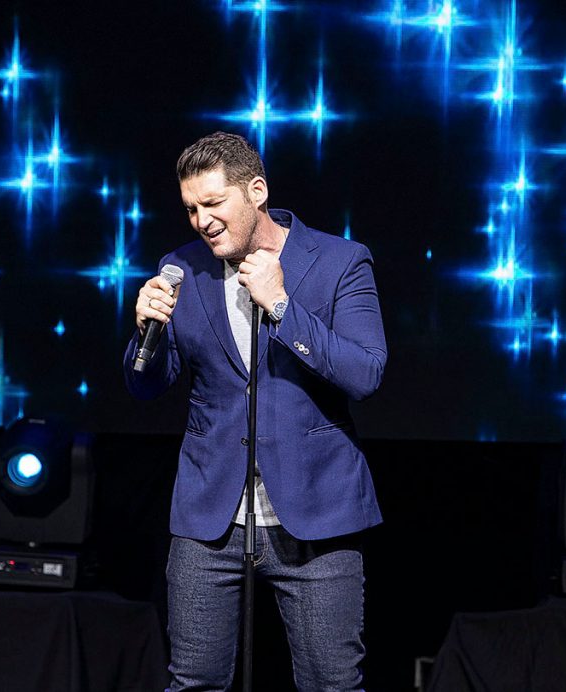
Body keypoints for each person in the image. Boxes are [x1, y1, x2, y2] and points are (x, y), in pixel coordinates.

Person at [123, 131, 387, 691]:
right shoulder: (181, 267)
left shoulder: (340, 261)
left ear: (257, 192)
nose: (201, 221)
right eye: (191, 209)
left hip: (316, 513)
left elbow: (365, 374)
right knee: (193, 682)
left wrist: (283, 306)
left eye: (213, 203)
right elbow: (147, 386)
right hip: (209, 516)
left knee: (332, 685)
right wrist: (145, 330)